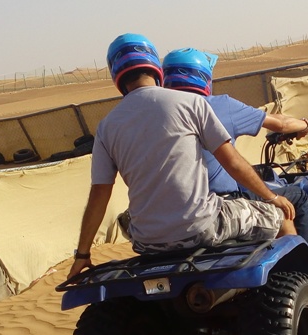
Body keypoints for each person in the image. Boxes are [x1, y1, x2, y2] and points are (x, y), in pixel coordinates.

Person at [67, 34, 295, 279]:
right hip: (201, 226)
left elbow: (99, 194)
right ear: (155, 66)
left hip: (146, 241)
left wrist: (82, 254)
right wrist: (272, 198)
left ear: (116, 75)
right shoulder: (190, 103)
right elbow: (233, 163)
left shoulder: (106, 126)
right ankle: (304, 282)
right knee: (281, 219)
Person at [161, 47, 308, 243]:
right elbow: (281, 124)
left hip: (176, 208)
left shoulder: (158, 115)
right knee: (298, 197)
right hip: (223, 200)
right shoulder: (220, 105)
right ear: (203, 77)